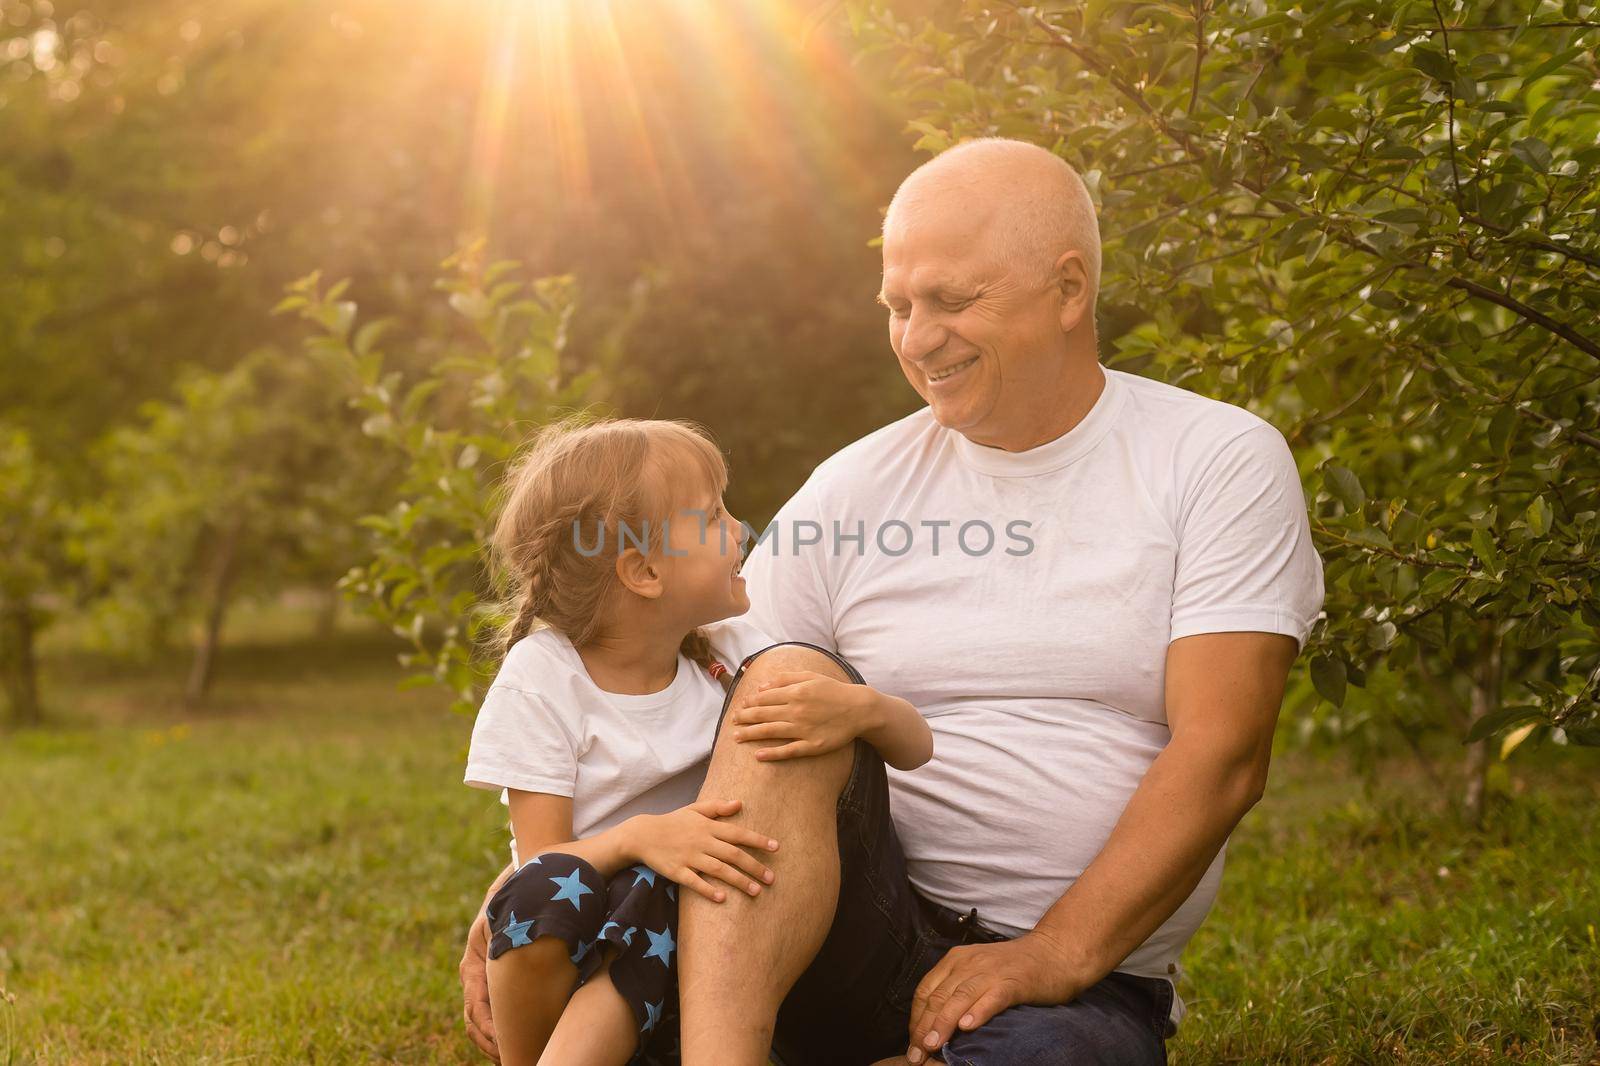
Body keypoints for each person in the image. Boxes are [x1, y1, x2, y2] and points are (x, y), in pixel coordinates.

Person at [463, 136, 1325, 1065]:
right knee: (788, 679)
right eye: (899, 306)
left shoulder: (1215, 461)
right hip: (831, 932)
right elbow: (659, 659)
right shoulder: (860, 484)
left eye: (953, 300)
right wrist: (541, 880)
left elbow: (1224, 752)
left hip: (1072, 972)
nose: (918, 337)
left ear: (1070, 291)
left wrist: (1049, 954)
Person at [463, 416, 931, 1065]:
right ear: (644, 570)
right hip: (571, 962)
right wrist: (641, 839)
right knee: (593, 886)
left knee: (669, 886)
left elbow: (916, 748)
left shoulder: (732, 655)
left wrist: (863, 709)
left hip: (701, 965)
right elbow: (544, 868)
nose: (741, 530)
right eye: (713, 516)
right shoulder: (544, 677)